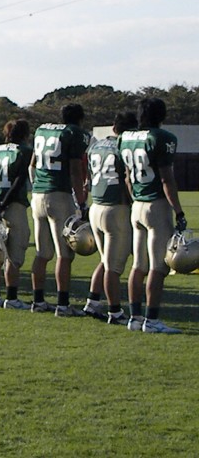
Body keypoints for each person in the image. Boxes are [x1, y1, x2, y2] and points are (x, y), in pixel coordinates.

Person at [120, 98, 185, 334]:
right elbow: (166, 179)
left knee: (138, 265)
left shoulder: (125, 138)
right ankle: (152, 320)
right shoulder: (162, 137)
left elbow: (127, 177)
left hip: (136, 205)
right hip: (155, 206)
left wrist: (135, 199)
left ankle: (134, 317)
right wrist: (178, 211)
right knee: (158, 267)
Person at [29, 104, 91, 316]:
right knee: (64, 254)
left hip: (38, 195)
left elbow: (32, 166)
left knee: (42, 253)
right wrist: (81, 202)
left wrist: (37, 185)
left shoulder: (42, 130)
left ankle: (38, 301)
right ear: (80, 119)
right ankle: (63, 305)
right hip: (59, 196)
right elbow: (75, 171)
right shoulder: (75, 133)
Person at [85, 112, 137, 325]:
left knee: (106, 259)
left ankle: (92, 302)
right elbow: (128, 179)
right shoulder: (125, 146)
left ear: (114, 127)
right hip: (116, 208)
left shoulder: (96, 145)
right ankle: (115, 312)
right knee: (113, 267)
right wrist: (134, 202)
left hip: (96, 206)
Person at [0, 120, 33, 309]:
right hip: (13, 205)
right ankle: (11, 299)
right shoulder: (23, 151)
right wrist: (4, 205)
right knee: (13, 255)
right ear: (25, 135)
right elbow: (19, 181)